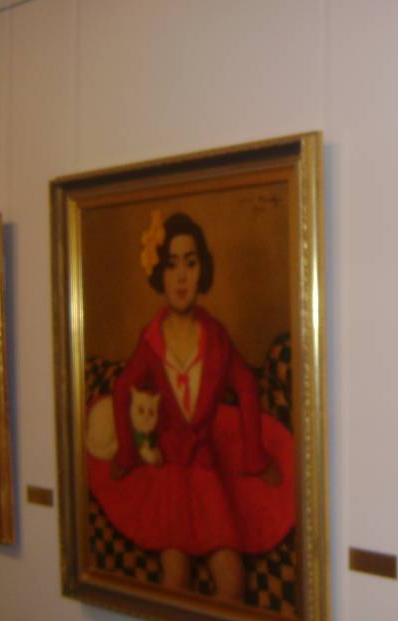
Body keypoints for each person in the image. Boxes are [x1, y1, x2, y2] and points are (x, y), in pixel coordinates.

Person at [87, 211, 294, 600]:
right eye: (171, 265)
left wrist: (254, 457)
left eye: (191, 263)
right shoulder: (152, 340)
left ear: (203, 271)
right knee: (175, 578)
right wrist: (128, 453)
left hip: (205, 470)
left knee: (232, 580)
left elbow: (247, 387)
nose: (181, 276)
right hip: (166, 473)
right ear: (160, 275)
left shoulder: (215, 338)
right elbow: (123, 387)